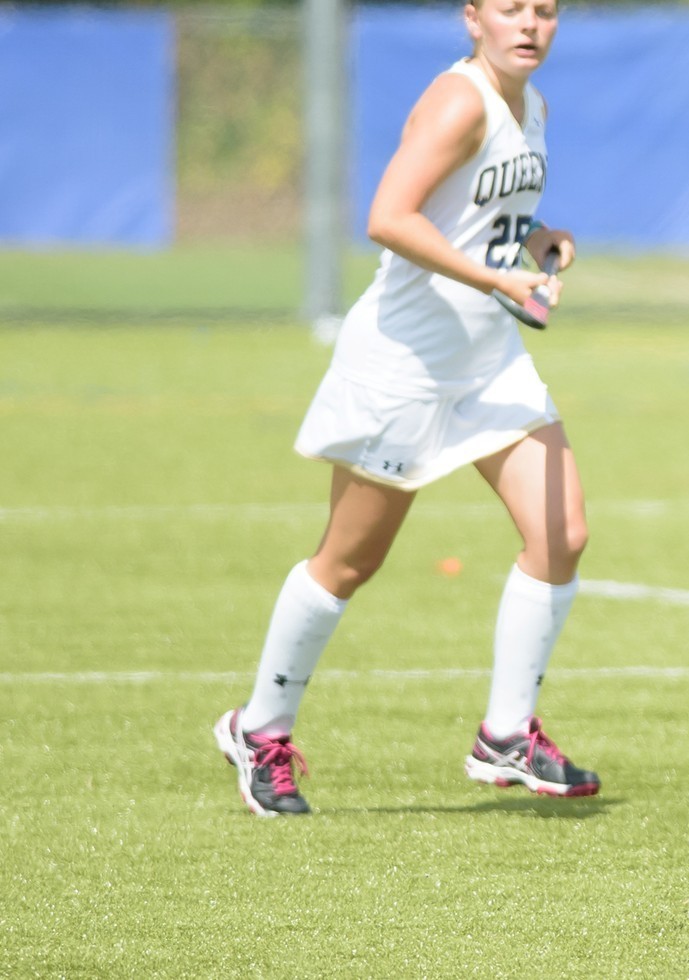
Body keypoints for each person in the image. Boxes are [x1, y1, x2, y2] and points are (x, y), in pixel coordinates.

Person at [212, 0, 597, 817]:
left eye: (546, 10)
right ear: (472, 18)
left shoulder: (533, 104)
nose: (529, 24)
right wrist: (501, 280)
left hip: (485, 360)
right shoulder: (461, 100)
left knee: (561, 532)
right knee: (348, 562)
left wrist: (534, 242)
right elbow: (388, 217)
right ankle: (261, 730)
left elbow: (480, 216)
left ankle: (506, 735)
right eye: (510, 9)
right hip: (405, 367)